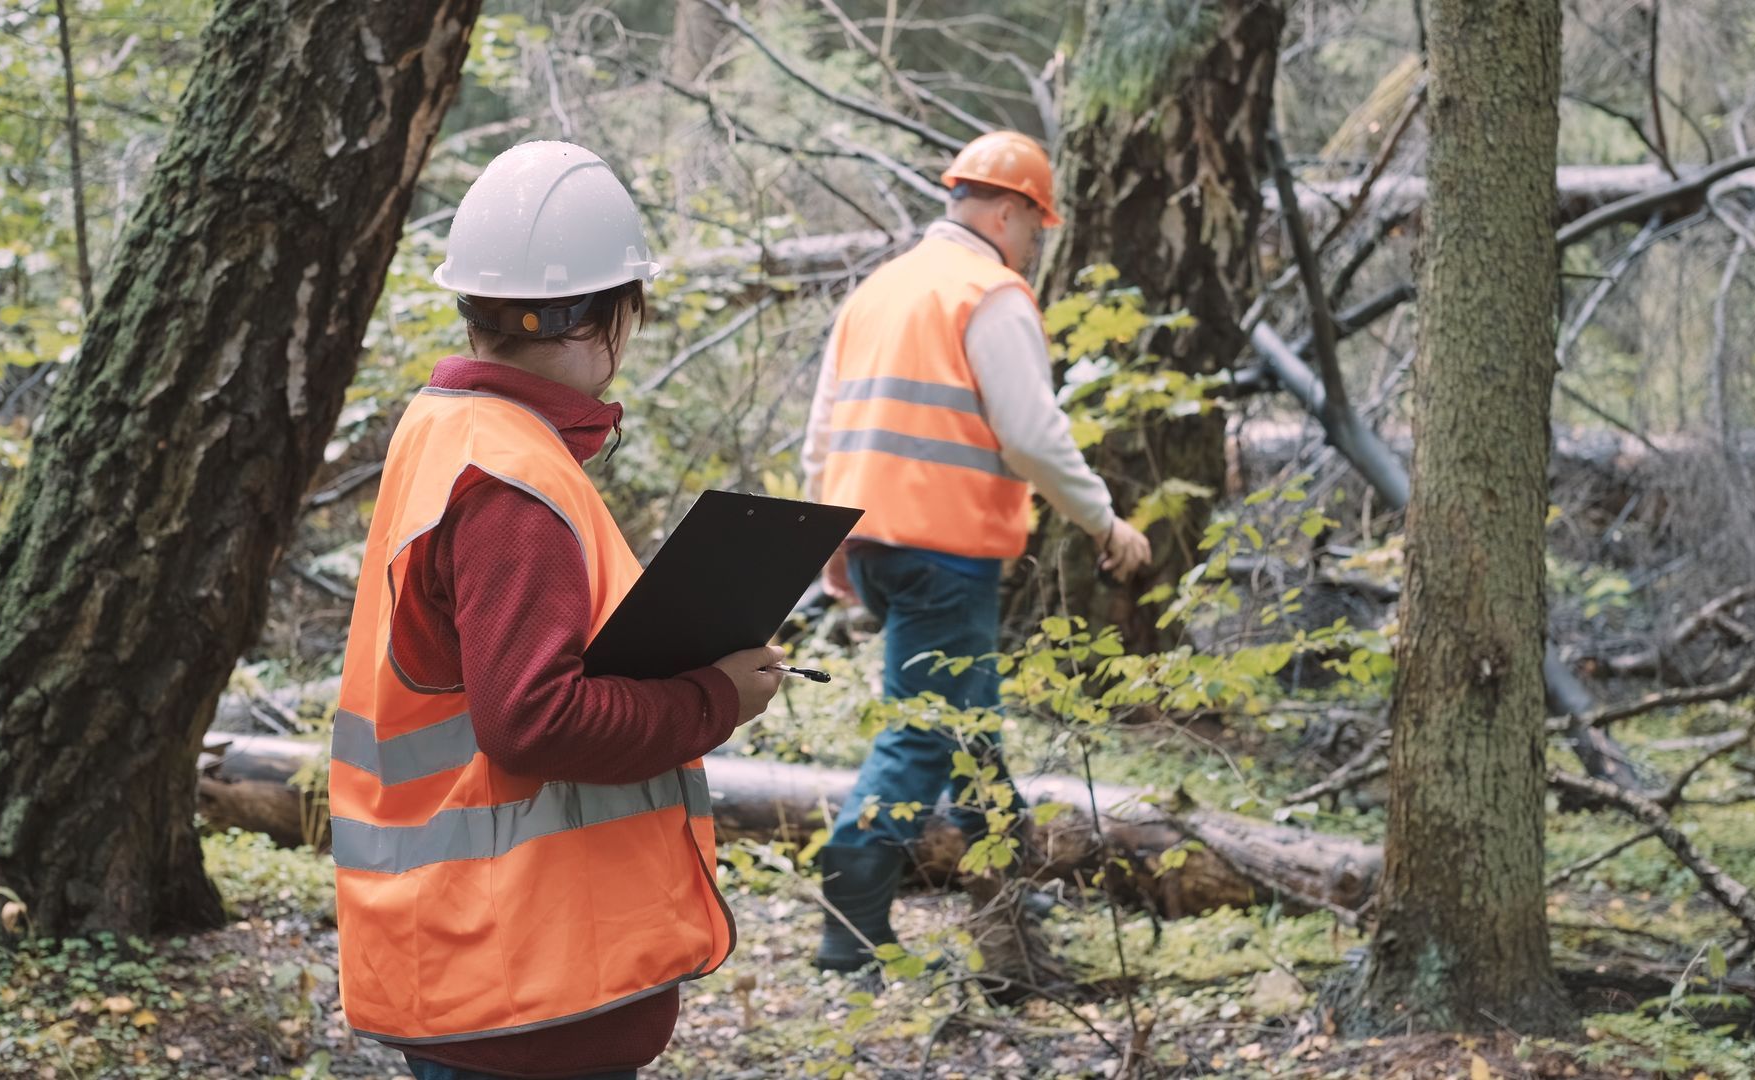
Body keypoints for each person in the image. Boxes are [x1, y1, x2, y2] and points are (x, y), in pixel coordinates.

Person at [328, 141, 783, 1080]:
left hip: (482, 964)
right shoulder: (511, 483)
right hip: (520, 993)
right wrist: (714, 700)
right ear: (608, 316)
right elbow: (530, 720)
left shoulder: (447, 427)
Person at [801, 130, 1153, 973]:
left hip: (879, 545)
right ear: (1007, 211)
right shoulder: (987, 293)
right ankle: (849, 911)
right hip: (944, 549)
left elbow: (823, 432)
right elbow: (1031, 435)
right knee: (928, 731)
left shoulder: (880, 291)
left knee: (970, 721)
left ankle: (1005, 881)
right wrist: (1107, 523)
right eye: (1037, 227)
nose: (1036, 245)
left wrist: (834, 539)